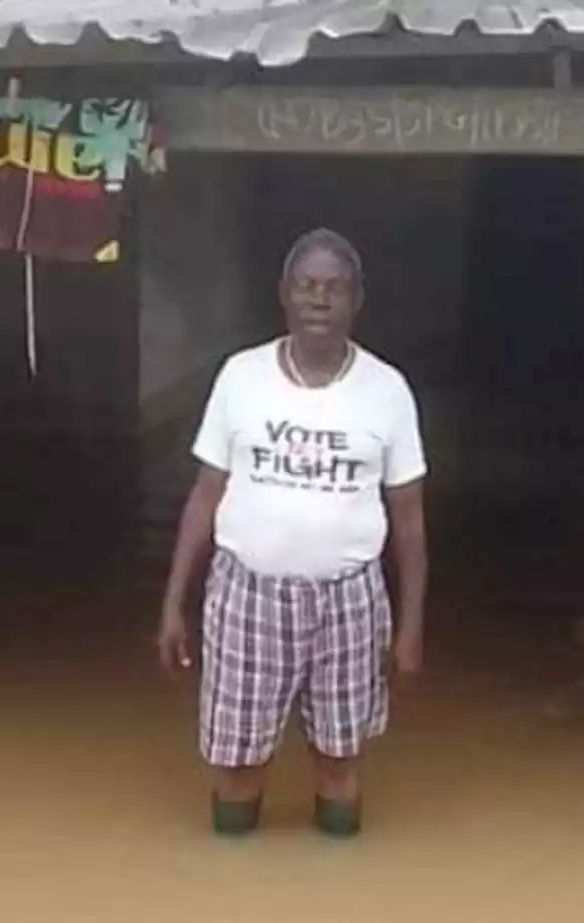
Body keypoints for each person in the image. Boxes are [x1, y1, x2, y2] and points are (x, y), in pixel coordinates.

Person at [156, 228, 429, 838]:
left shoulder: (387, 391)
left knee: (339, 762)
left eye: (334, 288)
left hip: (350, 601)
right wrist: (175, 603)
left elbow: (409, 521)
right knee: (236, 766)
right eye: (307, 286)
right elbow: (205, 497)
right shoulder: (240, 377)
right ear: (284, 295)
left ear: (357, 300)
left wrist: (410, 627)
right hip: (246, 595)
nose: (319, 299)